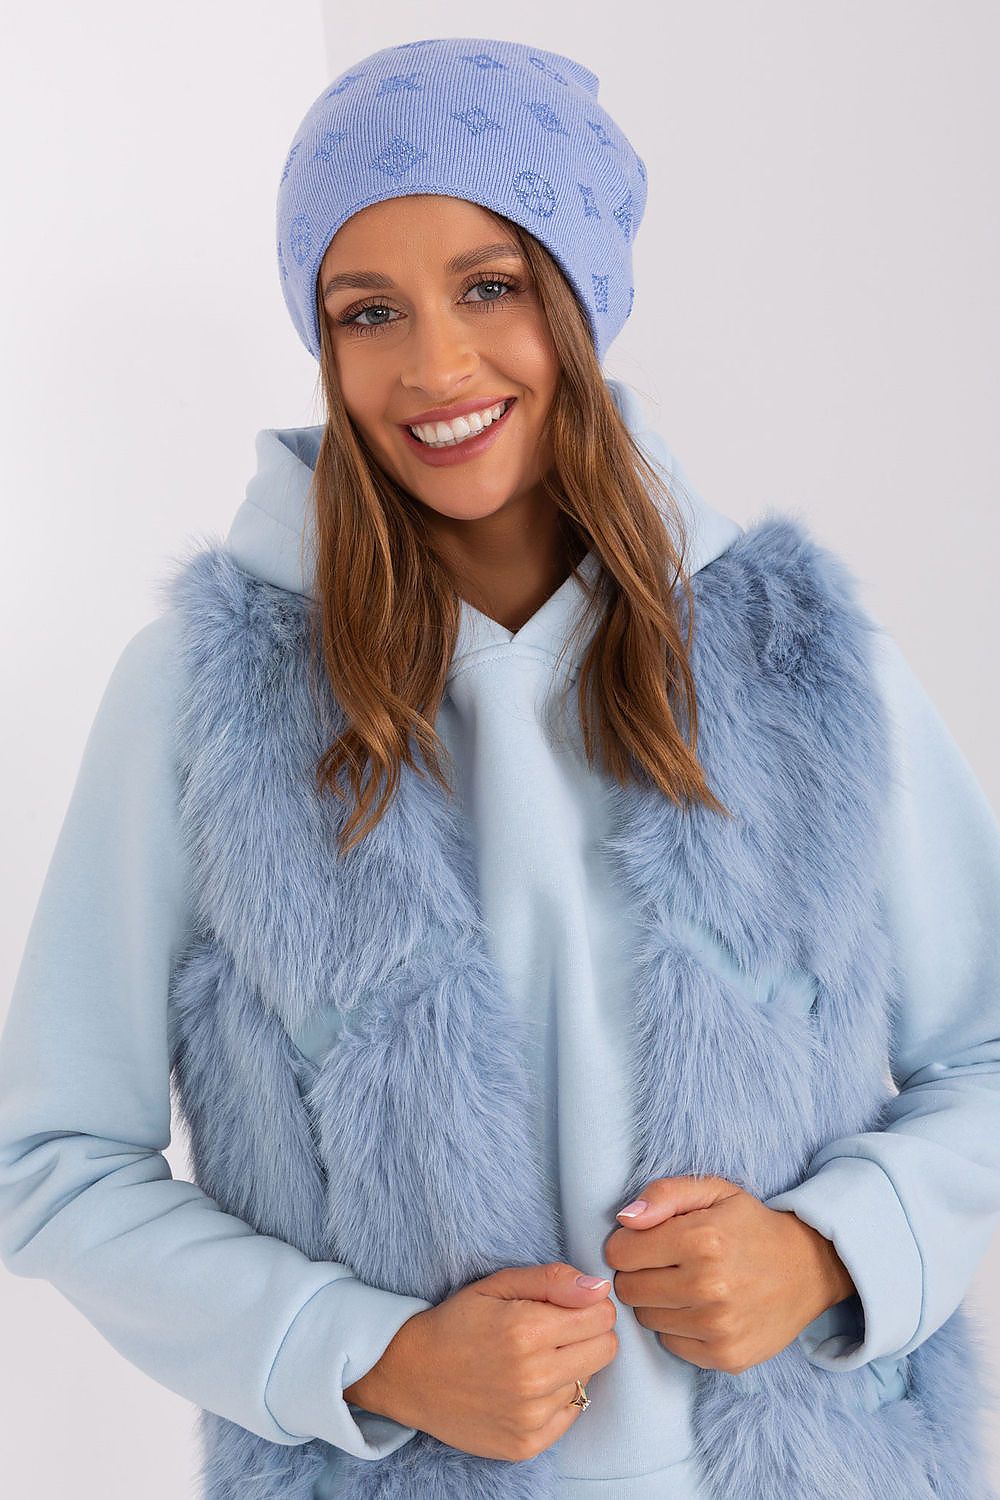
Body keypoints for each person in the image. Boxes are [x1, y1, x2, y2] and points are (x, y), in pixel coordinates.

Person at [2, 34, 999, 1500]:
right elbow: (54, 1161)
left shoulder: (800, 659)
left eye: (491, 287)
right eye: (368, 311)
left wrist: (824, 1250)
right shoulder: (207, 696)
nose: (435, 366)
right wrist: (373, 1357)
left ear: (581, 299)